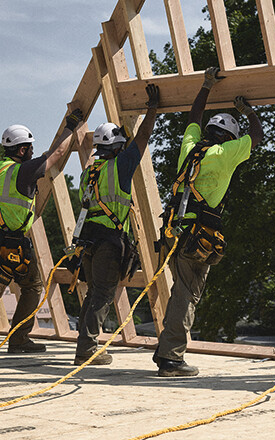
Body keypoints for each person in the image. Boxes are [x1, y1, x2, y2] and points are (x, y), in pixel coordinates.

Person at [153, 67, 264, 377]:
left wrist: (206, 86)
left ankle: (165, 352)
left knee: (179, 293)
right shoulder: (224, 153)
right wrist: (249, 111)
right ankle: (172, 359)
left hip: (174, 233)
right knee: (187, 297)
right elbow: (257, 137)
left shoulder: (189, 150)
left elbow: (193, 117)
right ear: (228, 137)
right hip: (196, 238)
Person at [74, 83, 160, 366]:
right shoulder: (120, 166)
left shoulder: (90, 171)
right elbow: (144, 137)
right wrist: (152, 109)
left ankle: (84, 344)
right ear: (117, 147)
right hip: (109, 240)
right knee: (103, 292)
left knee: (95, 290)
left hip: (87, 240)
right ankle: (87, 349)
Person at [0, 108, 83, 353]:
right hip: (14, 243)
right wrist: (71, 126)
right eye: (30, 149)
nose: (33, 152)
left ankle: (18, 339)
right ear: (22, 150)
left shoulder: (2, 169)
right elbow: (56, 153)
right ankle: (18, 340)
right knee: (33, 286)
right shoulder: (22, 171)